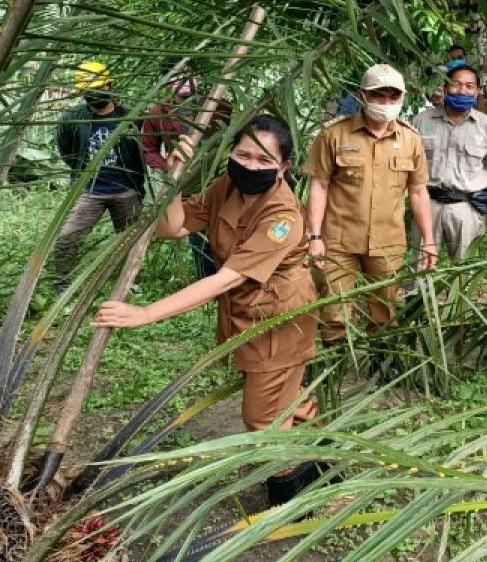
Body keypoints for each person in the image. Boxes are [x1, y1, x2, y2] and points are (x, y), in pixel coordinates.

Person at [94, 115, 322, 505]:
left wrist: (147, 313)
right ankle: (320, 452)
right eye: (242, 154)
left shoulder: (282, 216)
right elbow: (174, 227)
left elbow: (226, 279)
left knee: (260, 418)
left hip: (278, 322)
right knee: (282, 396)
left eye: (263, 160)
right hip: (246, 315)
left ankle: (291, 493)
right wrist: (172, 179)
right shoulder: (226, 186)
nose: (249, 166)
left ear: (283, 168)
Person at [304, 64, 437, 358]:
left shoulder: (410, 139)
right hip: (338, 239)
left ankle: (383, 362)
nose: (386, 104)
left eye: (393, 97)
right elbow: (319, 186)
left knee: (385, 306)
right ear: (362, 95)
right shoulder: (334, 135)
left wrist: (428, 239)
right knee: (334, 308)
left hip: (387, 240)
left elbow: (417, 192)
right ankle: (334, 366)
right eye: (379, 96)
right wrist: (314, 236)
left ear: (402, 98)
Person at [52, 61, 146, 291]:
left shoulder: (132, 117)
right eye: (89, 93)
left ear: (111, 85)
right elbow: (67, 150)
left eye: (100, 89)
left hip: (126, 189)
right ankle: (63, 283)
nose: (95, 96)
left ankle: (131, 281)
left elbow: (145, 149)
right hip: (89, 191)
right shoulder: (73, 118)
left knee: (131, 239)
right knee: (67, 238)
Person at [411, 64, 487, 260]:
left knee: (463, 271)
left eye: (469, 86)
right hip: (427, 203)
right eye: (456, 85)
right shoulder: (421, 121)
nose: (462, 90)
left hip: (468, 208)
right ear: (445, 87)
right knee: (419, 268)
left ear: (477, 92)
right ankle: (417, 293)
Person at [141, 73, 218, 280]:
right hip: (184, 185)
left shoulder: (216, 107)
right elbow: (147, 149)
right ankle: (207, 280)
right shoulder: (157, 114)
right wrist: (166, 165)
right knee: (197, 234)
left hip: (217, 178)